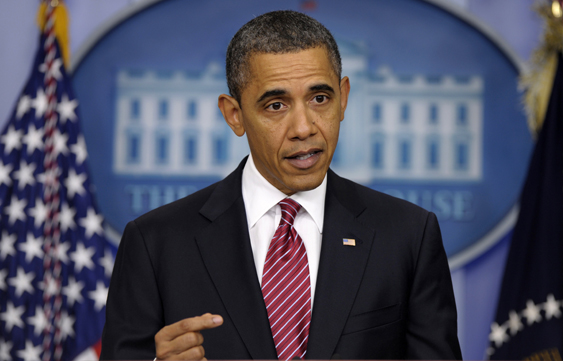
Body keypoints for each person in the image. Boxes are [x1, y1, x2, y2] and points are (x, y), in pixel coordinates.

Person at [100, 10, 462, 360]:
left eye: (320, 99)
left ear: (344, 98)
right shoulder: (155, 243)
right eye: (276, 105)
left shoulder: (408, 235)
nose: (304, 128)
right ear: (235, 115)